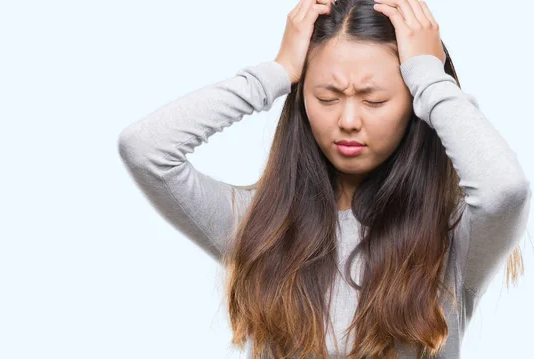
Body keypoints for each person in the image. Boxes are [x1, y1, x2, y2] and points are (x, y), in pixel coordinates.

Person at [117, 0, 532, 357]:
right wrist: (275, 72)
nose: (348, 120)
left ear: (415, 104)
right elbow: (146, 149)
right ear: (301, 97)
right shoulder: (258, 225)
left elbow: (505, 191)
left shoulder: (454, 234)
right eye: (327, 97)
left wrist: (429, 74)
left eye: (375, 100)